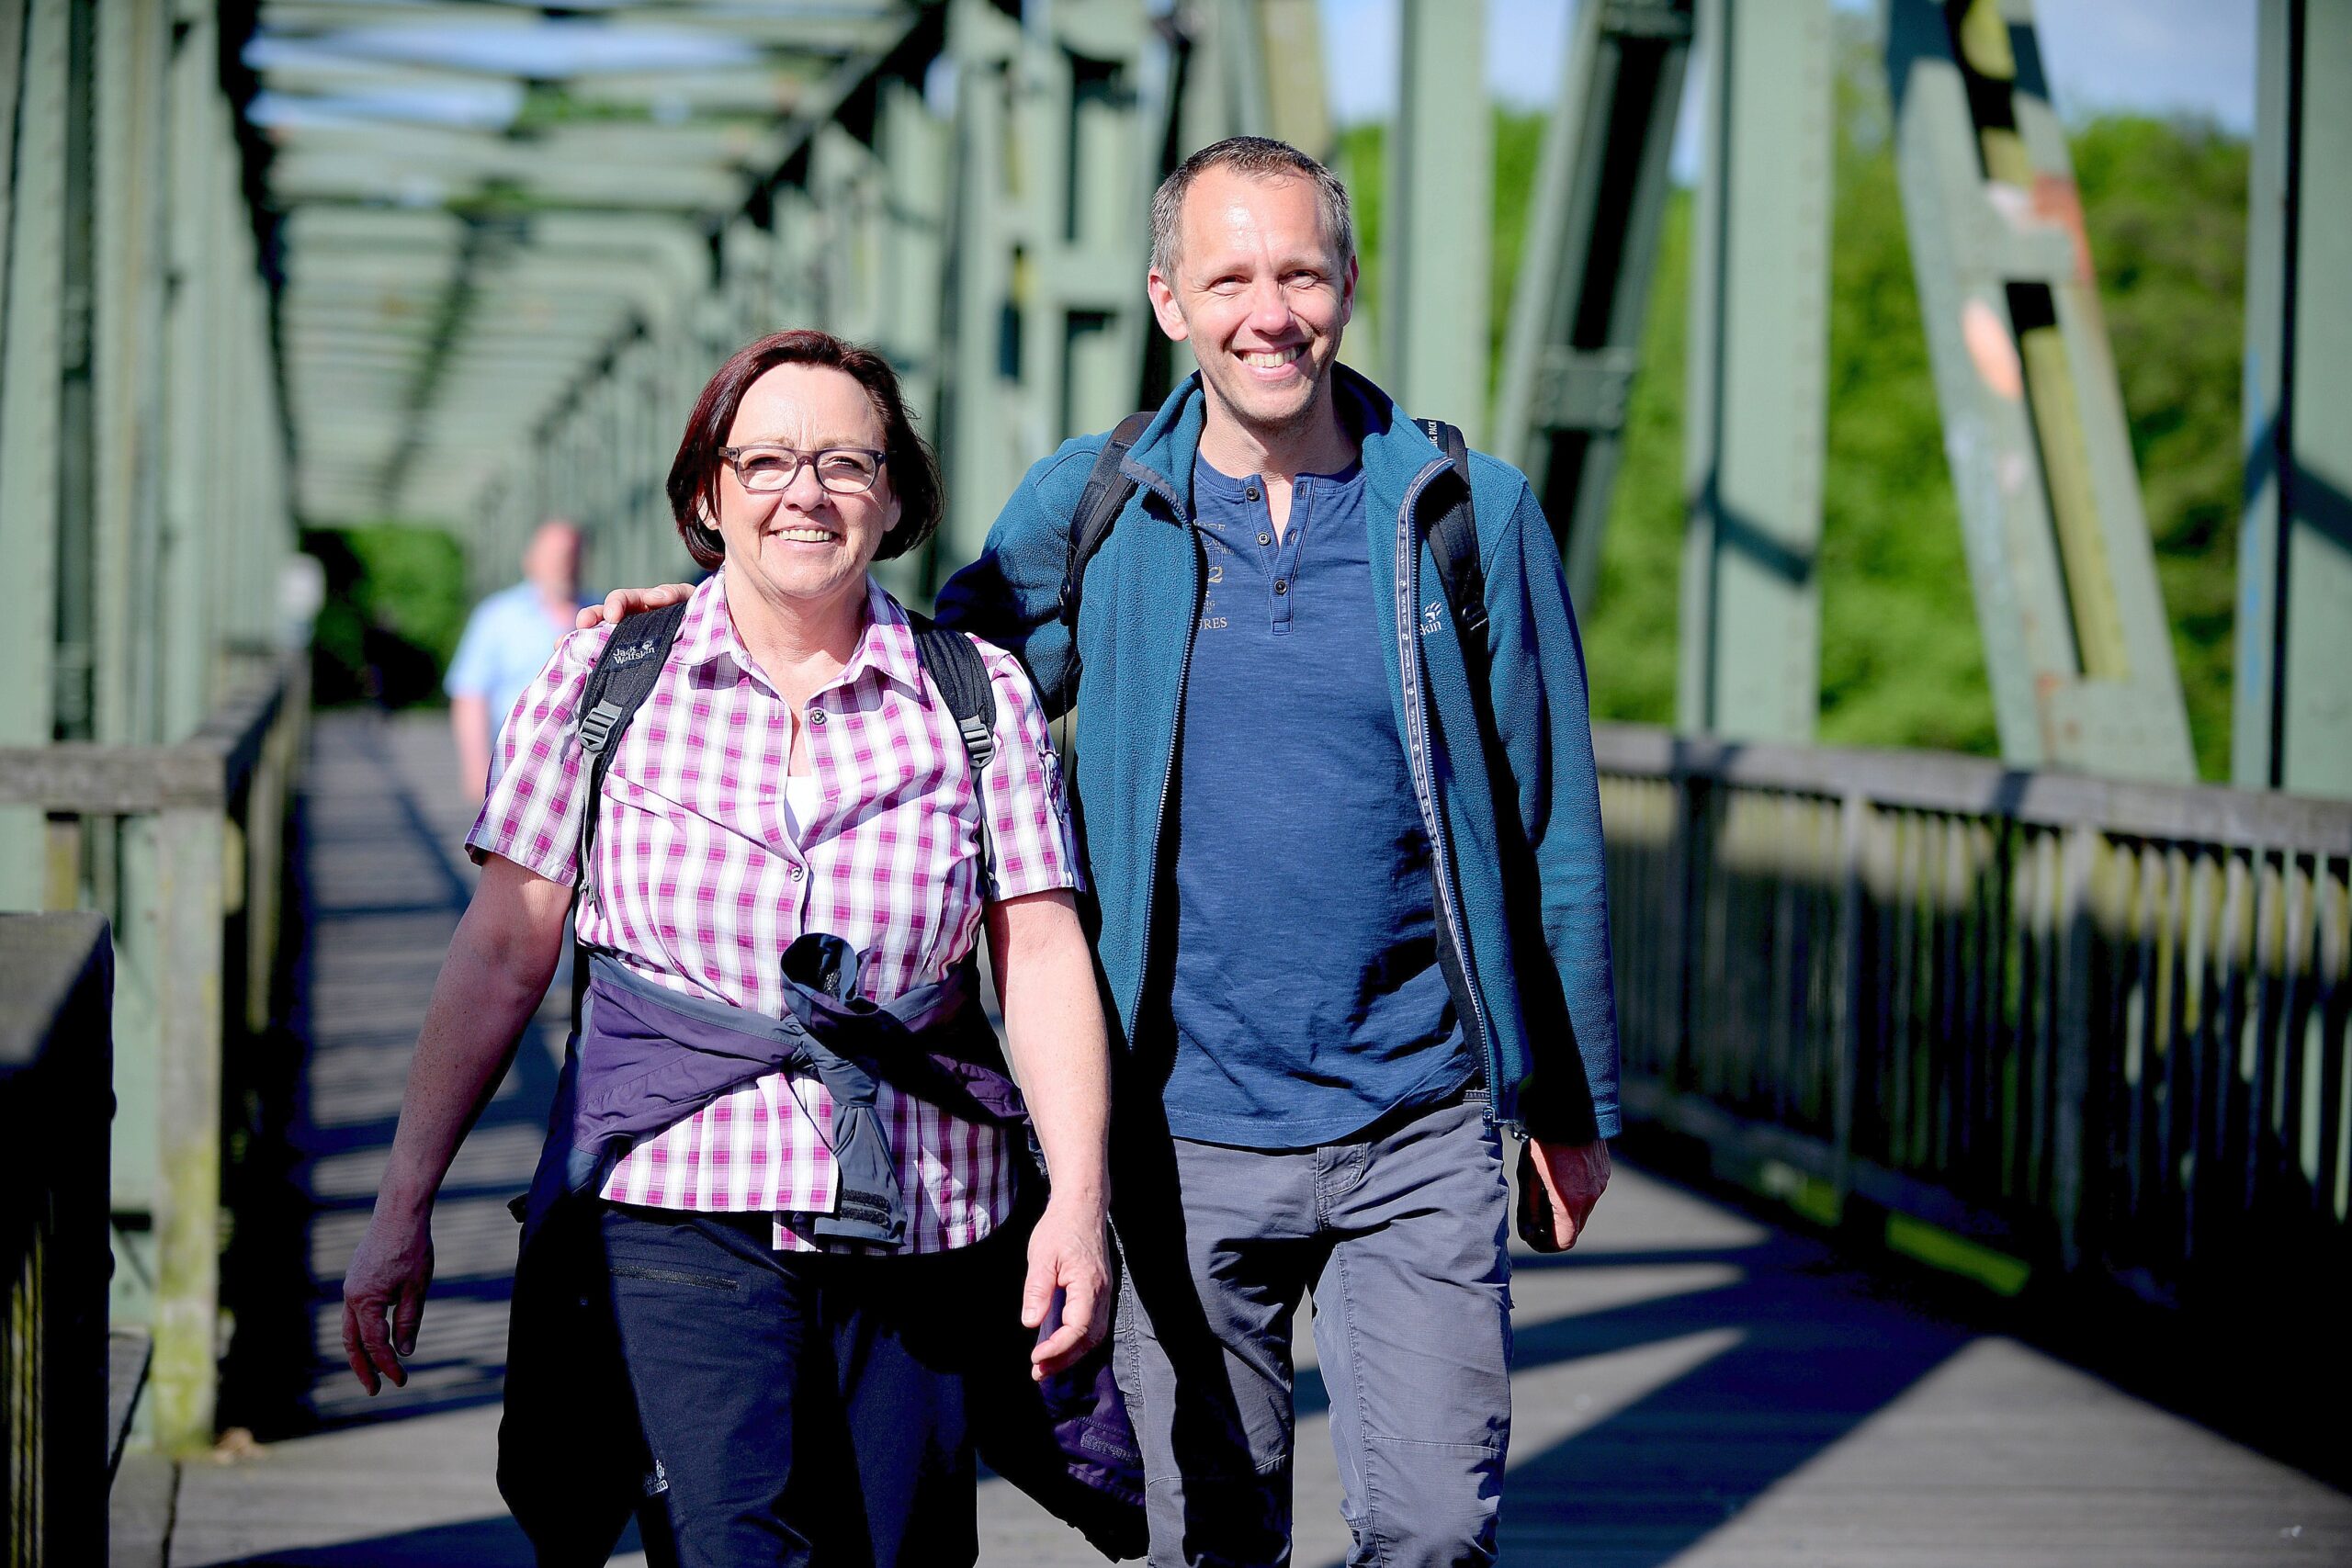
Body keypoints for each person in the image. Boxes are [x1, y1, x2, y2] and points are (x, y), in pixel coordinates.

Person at [588, 138, 1620, 1567]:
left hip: (1419, 1113)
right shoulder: (1103, 502)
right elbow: (916, 668)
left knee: (1437, 1527)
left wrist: (1573, 1098)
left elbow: (1548, 809)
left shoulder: (1464, 512)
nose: (1271, 311)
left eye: (1302, 273)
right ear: (1166, 300)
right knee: (1213, 1530)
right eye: (1230, 277)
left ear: (1349, 283)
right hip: (1177, 1125)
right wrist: (722, 605)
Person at [342, 329, 1115, 1567]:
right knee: (730, 1547)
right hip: (674, 1206)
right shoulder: (609, 674)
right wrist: (402, 1203)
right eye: (763, 460)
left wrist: (1077, 1198)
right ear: (708, 493)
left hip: (922, 1215)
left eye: (844, 463)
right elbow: (502, 949)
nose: (802, 492)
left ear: (897, 493)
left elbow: (1043, 954)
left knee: (907, 1550)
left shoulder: (979, 694)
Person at [446, 518, 590, 798]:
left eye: (571, 554)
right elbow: (470, 694)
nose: (564, 564)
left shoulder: (603, 610)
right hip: (515, 767)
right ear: (531, 561)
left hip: (584, 769)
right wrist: (476, 766)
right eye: (554, 556)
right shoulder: (497, 617)